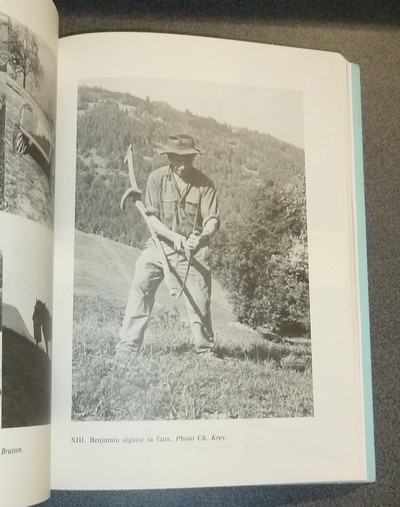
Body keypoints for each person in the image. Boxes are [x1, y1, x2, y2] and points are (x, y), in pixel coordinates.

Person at [116, 134, 220, 360]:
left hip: (194, 251)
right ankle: (127, 348)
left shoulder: (205, 184)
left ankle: (206, 352)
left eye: (188, 158)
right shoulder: (157, 179)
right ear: (170, 157)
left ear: (194, 156)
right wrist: (174, 237)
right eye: (178, 159)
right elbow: (151, 219)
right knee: (141, 282)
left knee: (200, 301)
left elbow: (212, 219)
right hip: (160, 245)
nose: (183, 164)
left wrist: (202, 237)